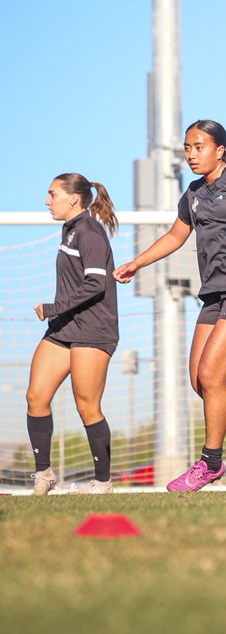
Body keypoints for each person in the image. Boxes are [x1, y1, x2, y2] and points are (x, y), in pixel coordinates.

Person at [113, 120, 226, 492]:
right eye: (187, 148)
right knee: (201, 380)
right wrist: (137, 262)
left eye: (199, 147)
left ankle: (210, 462)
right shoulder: (194, 193)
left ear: (219, 149)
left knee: (213, 375)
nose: (191, 154)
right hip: (216, 293)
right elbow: (175, 235)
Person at [26, 175, 120, 495]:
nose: (47, 201)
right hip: (64, 327)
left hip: (93, 329)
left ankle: (102, 482)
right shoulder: (69, 230)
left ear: (74, 200)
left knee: (86, 406)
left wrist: (53, 307)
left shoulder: (91, 232)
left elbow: (96, 285)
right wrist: (59, 313)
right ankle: (44, 474)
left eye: (52, 194)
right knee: (36, 397)